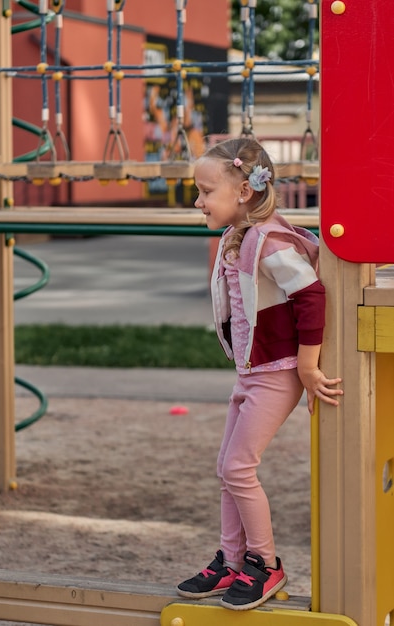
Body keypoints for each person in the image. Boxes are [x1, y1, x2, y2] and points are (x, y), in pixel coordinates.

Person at [176, 137, 343, 611]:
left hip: (279, 370)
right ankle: (231, 561)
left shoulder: (267, 241)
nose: (198, 200)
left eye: (206, 190)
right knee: (225, 467)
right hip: (252, 370)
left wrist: (308, 366)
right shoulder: (241, 236)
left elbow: (310, 295)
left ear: (244, 192)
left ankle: (265, 564)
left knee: (237, 467)